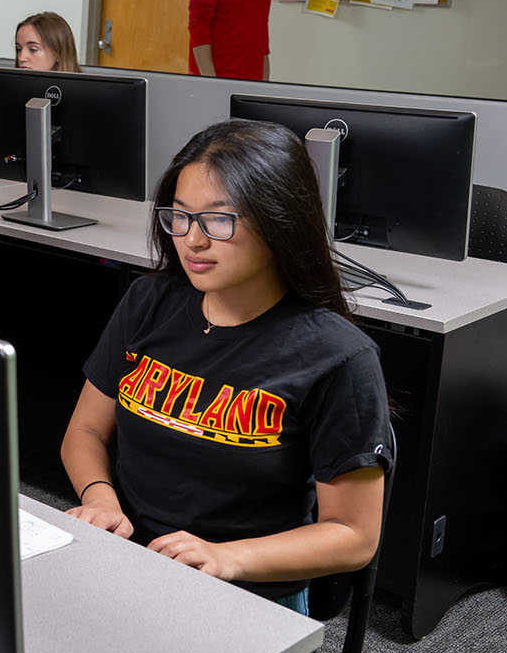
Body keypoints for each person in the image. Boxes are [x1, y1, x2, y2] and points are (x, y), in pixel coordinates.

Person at [60, 119, 391, 613]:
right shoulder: (148, 302)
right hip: (126, 560)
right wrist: (101, 497)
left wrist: (224, 558)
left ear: (279, 221)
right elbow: (83, 431)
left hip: (243, 590)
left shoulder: (338, 357)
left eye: (219, 220)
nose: (192, 240)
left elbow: (354, 536)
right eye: (180, 216)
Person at [13, 12, 81, 72]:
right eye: (19, 49)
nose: (21, 58)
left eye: (33, 50)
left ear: (58, 53)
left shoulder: (82, 86)